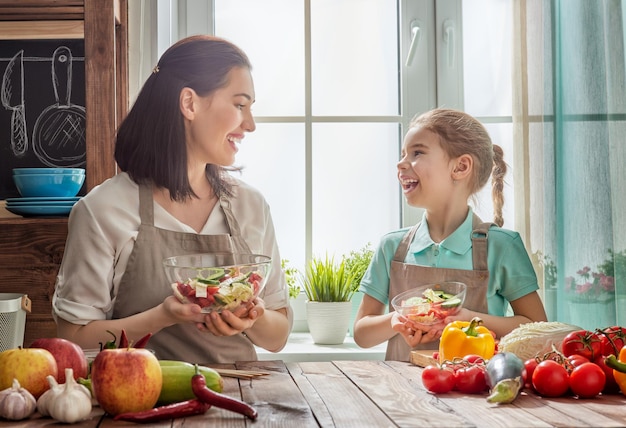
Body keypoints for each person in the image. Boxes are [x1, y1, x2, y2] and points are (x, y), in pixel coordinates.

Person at [52, 35, 292, 363]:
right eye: (239, 105)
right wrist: (163, 315)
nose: (249, 124)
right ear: (189, 103)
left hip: (244, 399)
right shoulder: (102, 210)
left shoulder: (249, 206)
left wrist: (254, 316)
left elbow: (278, 336)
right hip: (139, 402)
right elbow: (73, 337)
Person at [353, 108, 547, 361]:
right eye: (403, 154)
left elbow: (537, 329)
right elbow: (361, 334)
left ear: (461, 167)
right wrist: (397, 319)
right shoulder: (392, 246)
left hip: (476, 393)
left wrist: (470, 320)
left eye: (417, 153)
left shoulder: (502, 247)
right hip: (401, 395)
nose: (401, 163)